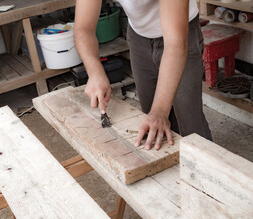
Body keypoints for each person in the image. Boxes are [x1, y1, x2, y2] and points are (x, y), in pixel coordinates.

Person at [74, 0, 212, 150]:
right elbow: (83, 29)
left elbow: (175, 44)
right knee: (151, 121)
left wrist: (160, 112)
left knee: (189, 122)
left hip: (180, 33)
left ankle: (209, 170)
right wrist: (95, 72)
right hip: (139, 37)